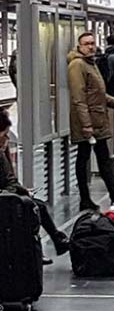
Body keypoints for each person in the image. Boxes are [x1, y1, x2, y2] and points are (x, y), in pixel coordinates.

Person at [67, 33, 114, 210]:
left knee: (100, 158)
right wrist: (86, 125)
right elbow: (79, 98)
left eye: (92, 43)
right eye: (86, 44)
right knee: (86, 158)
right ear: (79, 46)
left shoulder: (91, 63)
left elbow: (99, 95)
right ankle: (90, 198)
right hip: (87, 122)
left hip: (96, 120)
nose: (90, 46)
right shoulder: (77, 65)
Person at [0, 106, 68, 253]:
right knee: (34, 207)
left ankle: (53, 242)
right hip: (5, 200)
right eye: (4, 134)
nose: (7, 139)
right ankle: (41, 247)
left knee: (36, 206)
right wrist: (21, 192)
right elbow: (9, 181)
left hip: (6, 197)